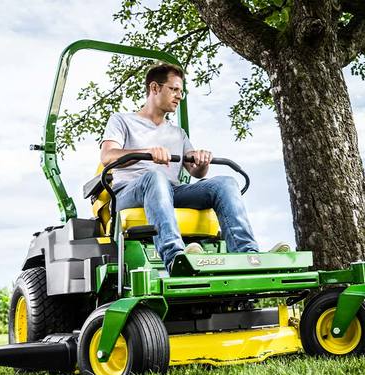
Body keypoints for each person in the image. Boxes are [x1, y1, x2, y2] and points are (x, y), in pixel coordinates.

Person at [100, 63, 290, 272]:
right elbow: (108, 156)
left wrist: (201, 161)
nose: (179, 96)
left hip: (171, 191)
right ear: (154, 88)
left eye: (181, 91)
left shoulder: (178, 133)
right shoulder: (122, 120)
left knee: (225, 183)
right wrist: (147, 153)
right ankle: (175, 258)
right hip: (130, 192)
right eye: (174, 89)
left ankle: (247, 255)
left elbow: (196, 172)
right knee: (155, 177)